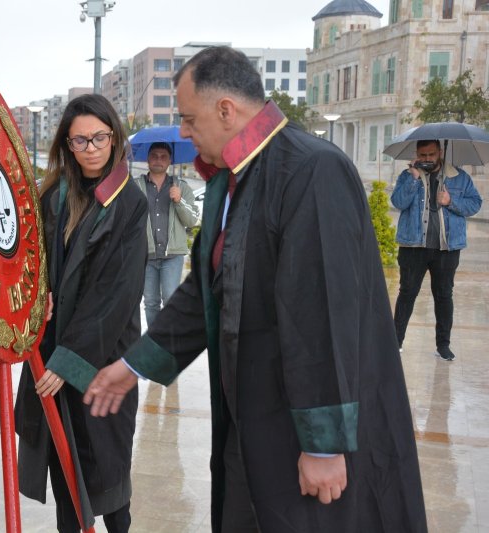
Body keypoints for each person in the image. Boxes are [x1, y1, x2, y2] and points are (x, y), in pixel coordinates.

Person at [83, 46, 427, 532]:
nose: (183, 131)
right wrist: (134, 363)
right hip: (256, 416)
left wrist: (322, 444)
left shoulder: (311, 170)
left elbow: (322, 310)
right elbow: (204, 290)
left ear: (226, 110)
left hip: (308, 430)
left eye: (187, 118)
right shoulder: (234, 180)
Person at [13, 93, 147, 533]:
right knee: (64, 465)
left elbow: (116, 294)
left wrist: (71, 359)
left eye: (99, 138)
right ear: (66, 145)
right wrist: (36, 296)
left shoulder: (128, 202)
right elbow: (27, 259)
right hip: (52, 348)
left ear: (114, 137)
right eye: (79, 141)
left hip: (104, 358)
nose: (90, 150)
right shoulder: (53, 195)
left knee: (107, 469)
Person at [391, 139, 482, 361]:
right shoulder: (407, 175)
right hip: (414, 246)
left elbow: (475, 204)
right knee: (406, 293)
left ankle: (443, 346)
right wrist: (413, 180)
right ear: (416, 154)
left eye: (431, 154)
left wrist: (451, 200)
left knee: (443, 296)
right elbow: (398, 202)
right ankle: (395, 342)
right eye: (422, 155)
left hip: (446, 247)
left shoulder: (458, 177)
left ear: (440, 152)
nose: (427, 159)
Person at [133, 142, 199, 328]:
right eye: (154, 155)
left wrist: (178, 200)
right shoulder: (136, 186)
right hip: (146, 255)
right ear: (148, 158)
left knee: (170, 300)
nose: (158, 160)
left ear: (170, 160)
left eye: (163, 156)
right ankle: (154, 342)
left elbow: (192, 220)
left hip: (173, 255)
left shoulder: (181, 187)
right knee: (151, 303)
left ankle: (170, 340)